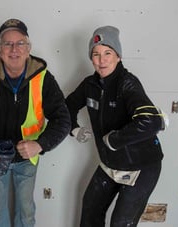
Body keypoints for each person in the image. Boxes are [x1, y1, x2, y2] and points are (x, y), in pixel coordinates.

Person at [0, 18, 71, 227]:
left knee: (26, 212)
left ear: (28, 48)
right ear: (0, 49)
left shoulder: (43, 78)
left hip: (28, 158)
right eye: (8, 43)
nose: (14, 49)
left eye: (20, 43)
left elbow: (63, 120)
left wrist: (39, 144)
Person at [65, 26, 167, 227]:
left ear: (118, 56)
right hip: (110, 163)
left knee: (121, 222)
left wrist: (114, 139)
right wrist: (74, 129)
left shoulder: (127, 83)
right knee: (90, 212)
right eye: (96, 54)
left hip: (141, 166)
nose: (102, 60)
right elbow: (65, 107)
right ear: (91, 58)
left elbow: (151, 121)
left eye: (107, 53)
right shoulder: (90, 85)